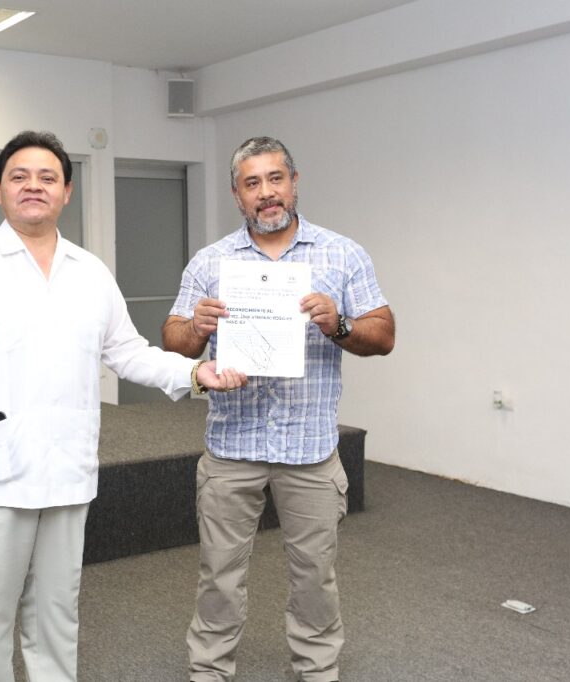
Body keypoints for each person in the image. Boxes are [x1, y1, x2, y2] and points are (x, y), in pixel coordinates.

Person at [0, 130, 246, 682]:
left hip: (67, 472)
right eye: (20, 177)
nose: (34, 186)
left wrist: (194, 372)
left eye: (48, 178)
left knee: (57, 614)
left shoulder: (89, 271)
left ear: (66, 192)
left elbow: (128, 352)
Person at [163, 136, 395, 682]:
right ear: (237, 195)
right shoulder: (211, 261)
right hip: (232, 448)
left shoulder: (342, 254)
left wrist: (339, 323)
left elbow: (383, 334)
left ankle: (317, 671)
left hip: (310, 451)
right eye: (252, 183)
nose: (266, 193)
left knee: (315, 577)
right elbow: (173, 338)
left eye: (275, 179)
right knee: (218, 575)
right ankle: (209, 672)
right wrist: (196, 327)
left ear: (294, 182)